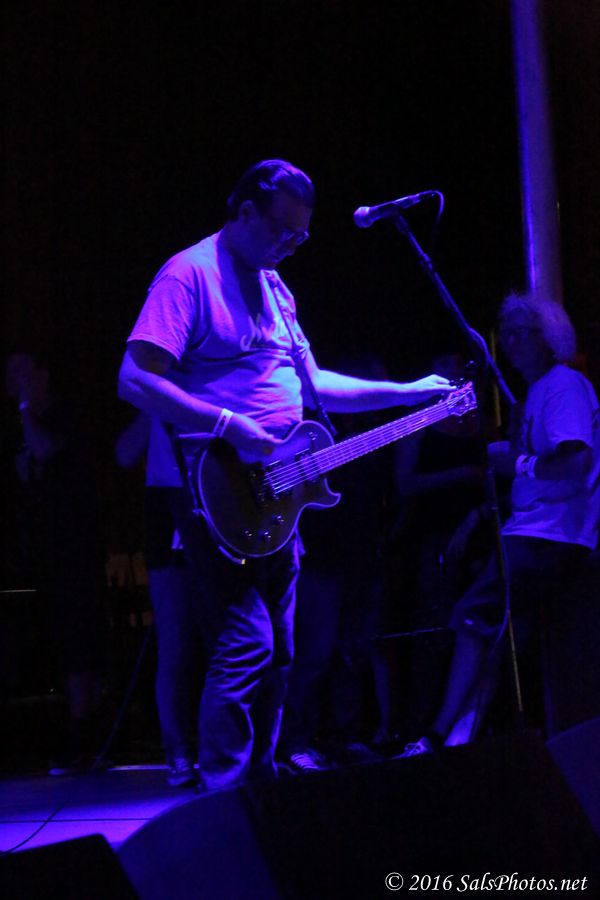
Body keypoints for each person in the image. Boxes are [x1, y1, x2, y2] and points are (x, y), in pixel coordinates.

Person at [117, 158, 453, 792]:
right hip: (219, 490)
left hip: (280, 492)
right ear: (246, 212)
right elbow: (134, 379)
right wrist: (226, 422)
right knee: (246, 643)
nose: (295, 244)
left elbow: (315, 384)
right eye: (285, 231)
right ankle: (224, 800)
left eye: (303, 235)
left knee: (281, 651)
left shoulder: (275, 287)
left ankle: (262, 791)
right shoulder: (189, 275)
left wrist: (408, 392)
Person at [399, 293, 600, 755]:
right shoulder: (538, 391)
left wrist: (519, 463)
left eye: (520, 333)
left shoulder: (563, 386)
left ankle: (439, 734)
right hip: (535, 528)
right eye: (505, 334)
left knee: (475, 617)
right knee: (499, 637)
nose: (510, 343)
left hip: (550, 533)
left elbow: (575, 461)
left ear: (549, 337)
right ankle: (460, 739)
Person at [4, 348, 109, 773]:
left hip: (75, 548)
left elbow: (46, 451)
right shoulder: (16, 429)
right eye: (11, 375)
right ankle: (73, 732)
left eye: (24, 371)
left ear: (43, 374)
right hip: (43, 552)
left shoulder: (64, 416)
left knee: (79, 640)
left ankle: (86, 737)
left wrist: (25, 410)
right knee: (59, 644)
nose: (17, 382)